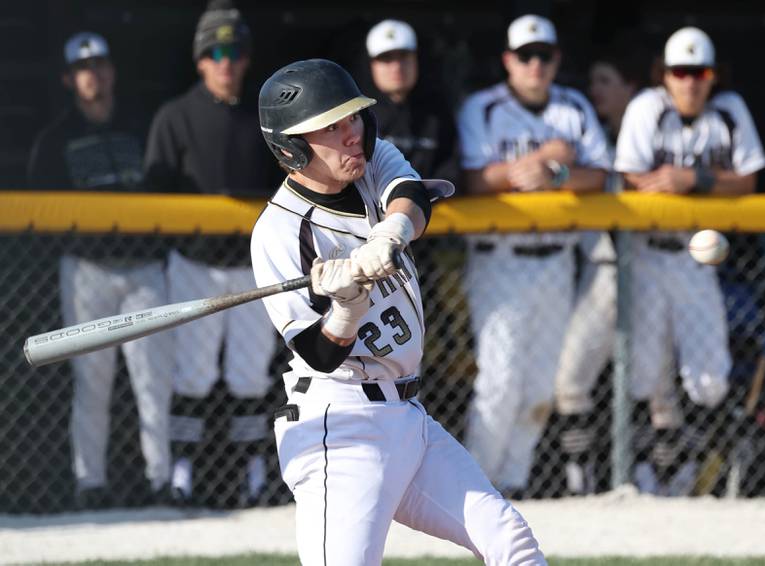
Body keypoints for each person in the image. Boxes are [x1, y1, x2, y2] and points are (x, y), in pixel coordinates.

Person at [252, 58, 547, 566]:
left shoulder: (370, 161)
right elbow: (319, 353)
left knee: (509, 540)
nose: (351, 135)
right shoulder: (279, 233)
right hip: (338, 429)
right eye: (331, 127)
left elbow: (410, 197)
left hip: (407, 416)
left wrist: (389, 234)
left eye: (353, 119)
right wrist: (346, 306)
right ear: (292, 148)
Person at [457, 14, 610, 497]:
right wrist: (536, 163)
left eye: (544, 55)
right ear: (508, 60)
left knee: (540, 386)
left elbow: (601, 176)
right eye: (525, 56)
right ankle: (474, 484)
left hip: (557, 259)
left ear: (556, 59)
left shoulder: (574, 106)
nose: (535, 65)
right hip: (500, 258)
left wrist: (557, 175)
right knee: (500, 383)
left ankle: (514, 482)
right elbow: (473, 179)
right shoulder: (482, 107)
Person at [614, 26, 765, 495]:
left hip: (697, 259)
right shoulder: (647, 107)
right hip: (646, 255)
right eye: (680, 72)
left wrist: (693, 178)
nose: (690, 82)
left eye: (699, 72)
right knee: (646, 375)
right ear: (666, 75)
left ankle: (703, 471)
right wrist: (668, 182)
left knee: (708, 379)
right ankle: (646, 475)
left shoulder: (730, 110)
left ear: (712, 75)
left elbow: (749, 181)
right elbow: (630, 176)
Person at [144, 0, 280, 506]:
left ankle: (255, 479)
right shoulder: (174, 116)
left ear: (246, 59)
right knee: (192, 377)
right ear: (201, 60)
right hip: (192, 264)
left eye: (236, 51)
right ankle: (181, 477)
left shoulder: (264, 119)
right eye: (217, 51)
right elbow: (154, 196)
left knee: (249, 377)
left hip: (249, 267)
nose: (227, 61)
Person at [27, 31, 171, 508]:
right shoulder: (55, 138)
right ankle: (91, 483)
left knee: (153, 381)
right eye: (84, 68)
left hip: (145, 267)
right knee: (92, 382)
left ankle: (161, 480)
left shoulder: (139, 125)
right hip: (88, 268)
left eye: (101, 64)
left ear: (112, 71)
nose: (95, 74)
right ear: (70, 78)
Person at [553, 50, 643, 495]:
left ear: (631, 87)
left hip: (643, 269)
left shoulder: (647, 131)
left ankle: (661, 480)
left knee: (655, 385)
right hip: (598, 269)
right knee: (570, 381)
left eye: (606, 80)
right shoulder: (597, 134)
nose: (596, 90)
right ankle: (579, 484)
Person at [364, 18, 459, 181]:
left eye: (403, 56)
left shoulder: (439, 110)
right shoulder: (358, 113)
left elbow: (450, 170)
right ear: (372, 65)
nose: (396, 67)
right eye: (386, 58)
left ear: (416, 59)